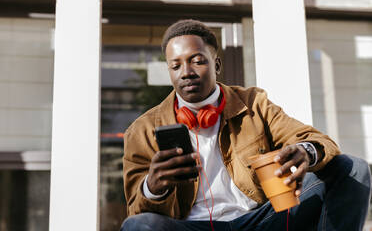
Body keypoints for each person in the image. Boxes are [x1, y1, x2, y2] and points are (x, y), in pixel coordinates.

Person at [121, 19, 371, 231]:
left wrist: (305, 151)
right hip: (190, 226)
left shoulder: (254, 103)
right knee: (139, 226)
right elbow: (136, 212)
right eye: (175, 66)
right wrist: (153, 188)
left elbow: (313, 139)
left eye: (197, 61)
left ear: (216, 65)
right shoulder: (142, 130)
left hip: (259, 219)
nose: (186, 72)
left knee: (353, 168)